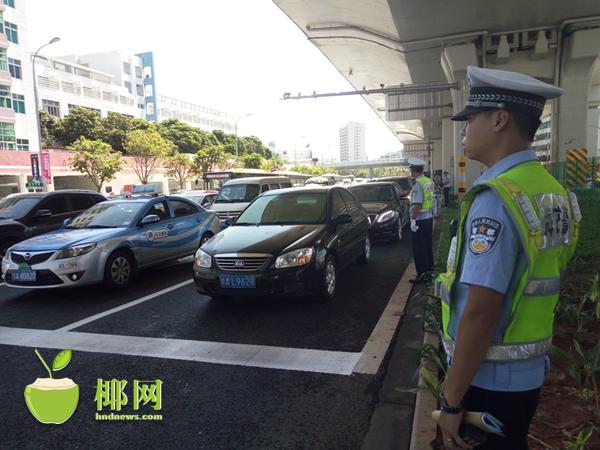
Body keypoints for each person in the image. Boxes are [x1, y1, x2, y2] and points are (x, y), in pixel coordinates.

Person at [435, 66, 580, 450]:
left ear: (499, 119)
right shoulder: (551, 189)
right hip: (526, 373)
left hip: (488, 379)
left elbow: (481, 312)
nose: (464, 130)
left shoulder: (496, 200)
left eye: (470, 120)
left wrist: (450, 400)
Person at [408, 158, 435, 283]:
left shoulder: (418, 183)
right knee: (428, 247)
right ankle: (429, 271)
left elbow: (417, 204)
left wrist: (413, 220)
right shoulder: (428, 181)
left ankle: (422, 275)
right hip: (429, 218)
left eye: (411, 170)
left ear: (413, 170)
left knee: (419, 249)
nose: (410, 172)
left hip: (419, 221)